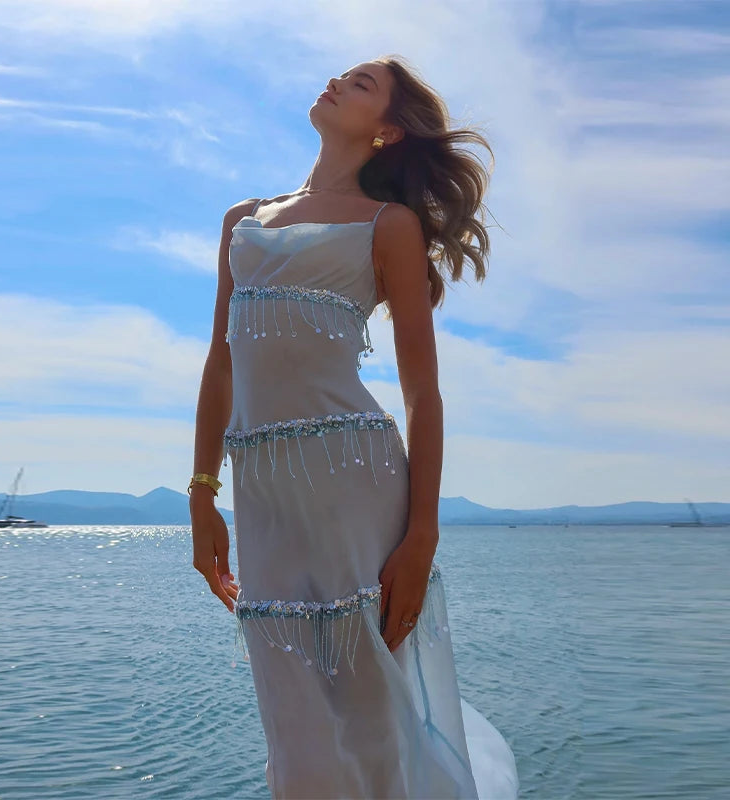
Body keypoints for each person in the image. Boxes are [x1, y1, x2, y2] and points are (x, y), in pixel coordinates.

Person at [189, 54, 520, 799]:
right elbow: (220, 367)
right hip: (263, 495)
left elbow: (424, 395)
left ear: (388, 132)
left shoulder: (388, 226)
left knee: (367, 698)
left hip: (357, 484)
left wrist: (422, 533)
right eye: (343, 74)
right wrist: (202, 493)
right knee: (287, 695)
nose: (337, 81)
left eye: (361, 84)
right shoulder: (243, 223)